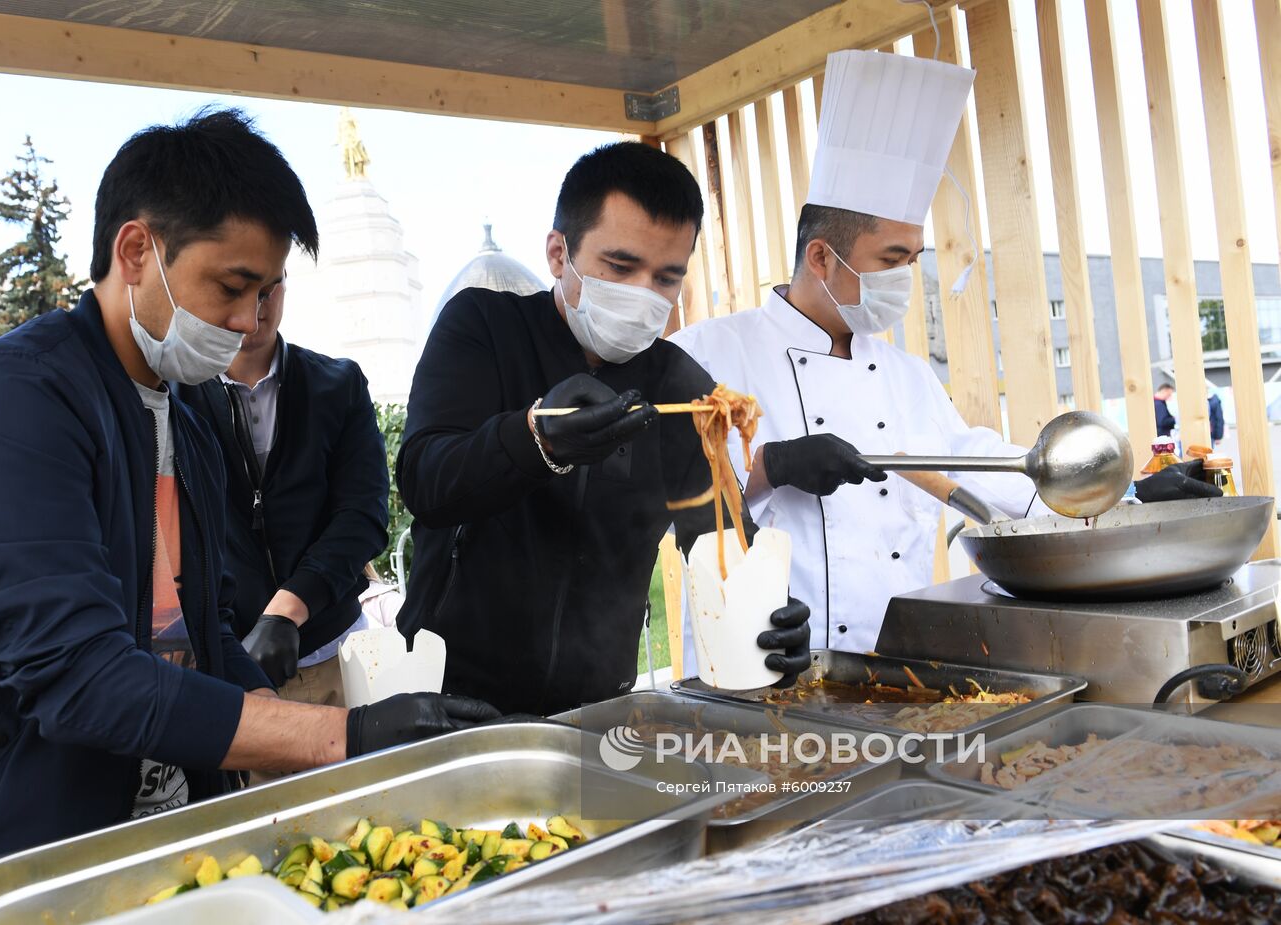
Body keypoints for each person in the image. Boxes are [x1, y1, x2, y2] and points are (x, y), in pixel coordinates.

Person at [0, 109, 497, 866]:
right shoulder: (5, 407)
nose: (247, 322)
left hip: (165, 827)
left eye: (267, 292)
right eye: (231, 286)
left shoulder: (188, 411)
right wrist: (344, 735)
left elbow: (201, 635)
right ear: (137, 249)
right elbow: (83, 680)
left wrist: (308, 737)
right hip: (20, 848)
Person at [395, 142, 827, 716]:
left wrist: (768, 613)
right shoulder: (484, 328)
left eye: (666, 278)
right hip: (453, 695)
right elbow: (426, 481)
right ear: (558, 253)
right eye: (620, 267)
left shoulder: (680, 385)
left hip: (598, 707)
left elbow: (721, 537)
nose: (643, 295)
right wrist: (537, 439)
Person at [670, 51, 1049, 654]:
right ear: (821, 257)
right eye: (891, 260)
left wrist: (1111, 490)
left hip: (896, 667)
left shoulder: (907, 376)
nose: (905, 278)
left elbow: (976, 464)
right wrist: (772, 465)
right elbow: (665, 496)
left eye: (913, 260)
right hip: (753, 666)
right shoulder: (707, 353)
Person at [173, 277, 390, 706]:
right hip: (228, 672)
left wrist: (291, 607)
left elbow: (363, 515)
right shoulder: (173, 400)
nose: (255, 304)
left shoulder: (337, 384)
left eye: (269, 287)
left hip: (336, 655)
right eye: (234, 285)